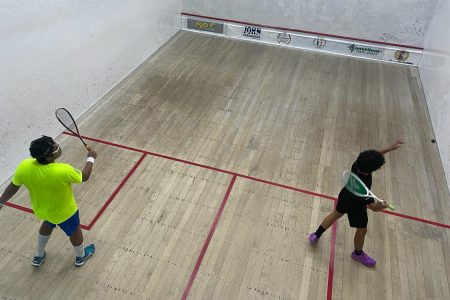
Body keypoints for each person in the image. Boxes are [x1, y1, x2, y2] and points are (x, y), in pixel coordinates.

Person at [0, 136, 97, 267]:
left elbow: (13, 186)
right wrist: (91, 158)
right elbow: (84, 176)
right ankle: (81, 256)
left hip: (43, 210)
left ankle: (38, 256)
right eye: (54, 146)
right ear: (48, 157)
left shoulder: (24, 166)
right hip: (65, 212)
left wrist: (1, 202)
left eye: (53, 142)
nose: (57, 145)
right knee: (75, 231)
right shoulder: (62, 170)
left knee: (48, 224)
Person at [308, 139, 404, 267]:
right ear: (374, 169)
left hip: (345, 195)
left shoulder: (357, 164)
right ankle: (357, 254)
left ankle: (316, 235)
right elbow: (372, 207)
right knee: (362, 229)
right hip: (357, 205)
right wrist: (382, 206)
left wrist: (389, 148)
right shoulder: (364, 189)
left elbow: (372, 156)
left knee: (336, 214)